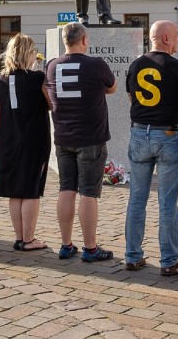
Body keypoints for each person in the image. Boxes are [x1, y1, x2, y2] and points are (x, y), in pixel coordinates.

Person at [124, 21, 178, 276]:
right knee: (167, 203)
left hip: (139, 132)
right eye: (177, 36)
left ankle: (132, 256)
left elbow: (132, 98)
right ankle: (170, 261)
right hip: (167, 133)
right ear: (166, 38)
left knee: (136, 199)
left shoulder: (135, 64)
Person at [45, 22, 117, 261]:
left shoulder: (52, 65)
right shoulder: (95, 64)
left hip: (63, 136)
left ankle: (65, 244)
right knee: (88, 193)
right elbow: (112, 87)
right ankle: (90, 248)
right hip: (90, 138)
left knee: (66, 189)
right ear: (84, 40)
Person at [0, 34, 51, 251]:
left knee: (15, 190)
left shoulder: (2, 78)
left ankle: (19, 237)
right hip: (33, 137)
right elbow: (50, 103)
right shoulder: (37, 78)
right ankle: (28, 239)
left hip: (10, 137)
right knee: (31, 189)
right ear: (27, 53)